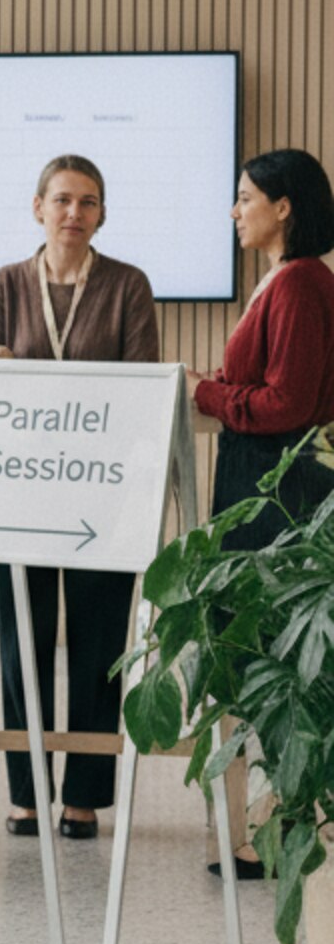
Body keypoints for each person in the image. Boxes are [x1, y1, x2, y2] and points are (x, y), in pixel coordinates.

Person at [0, 156, 159, 841]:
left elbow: (140, 384)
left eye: (88, 202)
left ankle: (82, 795)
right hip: (19, 495)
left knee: (96, 647)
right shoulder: (5, 283)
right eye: (61, 200)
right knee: (24, 648)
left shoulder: (127, 285)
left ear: (102, 213)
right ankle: (26, 794)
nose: (73, 213)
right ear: (37, 208)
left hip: (99, 499)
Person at [191, 148, 334, 877]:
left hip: (281, 491)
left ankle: (273, 832)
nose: (234, 209)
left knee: (271, 654)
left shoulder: (302, 284)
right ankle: (261, 828)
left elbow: (289, 404)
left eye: (245, 196)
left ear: (284, 207)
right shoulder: (281, 280)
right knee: (256, 651)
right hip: (260, 481)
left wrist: (204, 394)